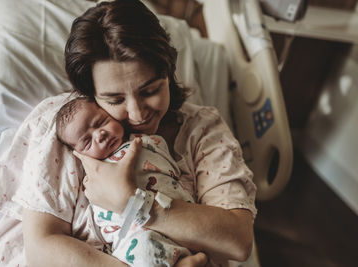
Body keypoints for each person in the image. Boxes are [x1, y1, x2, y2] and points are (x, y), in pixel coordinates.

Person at [16, 0, 257, 266]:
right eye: (115, 100)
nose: (138, 114)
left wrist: (136, 204)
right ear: (91, 93)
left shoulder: (201, 131)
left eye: (150, 91)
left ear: (169, 70)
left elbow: (238, 240)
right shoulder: (68, 130)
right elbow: (40, 248)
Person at [55, 97, 194, 266]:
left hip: (174, 211)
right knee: (144, 253)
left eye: (101, 122)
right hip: (133, 232)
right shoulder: (93, 176)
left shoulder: (144, 140)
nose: (100, 134)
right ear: (78, 154)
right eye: (87, 141)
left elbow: (172, 169)